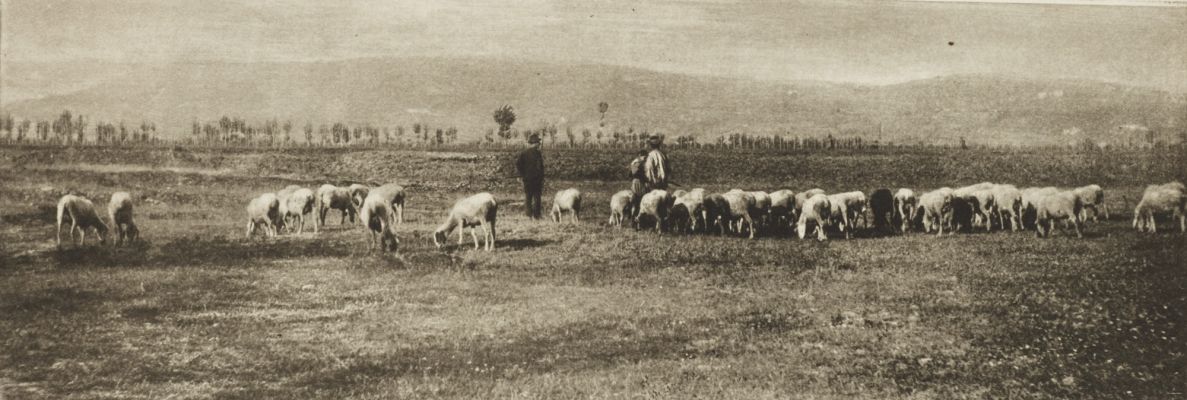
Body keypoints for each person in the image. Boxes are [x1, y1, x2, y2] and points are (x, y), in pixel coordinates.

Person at [516, 133, 545, 219]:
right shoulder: (537, 153)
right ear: (534, 143)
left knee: (529, 196)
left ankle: (529, 214)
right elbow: (540, 167)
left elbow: (518, 164)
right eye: (538, 142)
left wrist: (521, 174)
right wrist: (541, 177)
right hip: (535, 179)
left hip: (528, 179)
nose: (539, 144)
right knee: (536, 197)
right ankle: (536, 215)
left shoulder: (524, 153)